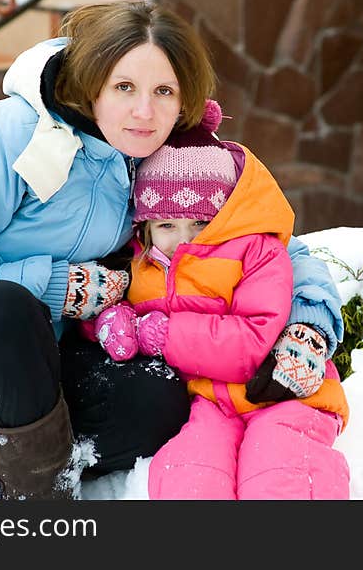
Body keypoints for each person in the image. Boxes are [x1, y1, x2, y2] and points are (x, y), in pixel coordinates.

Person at [0, 0, 345, 500]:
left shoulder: (169, 153)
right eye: (125, 87)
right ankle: (40, 501)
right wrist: (57, 286)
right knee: (4, 305)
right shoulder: (4, 138)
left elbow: (262, 240)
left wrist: (309, 324)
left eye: (164, 91)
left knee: (162, 397)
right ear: (92, 82)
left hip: (45, 362)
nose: (144, 111)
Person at [94, 101, 350, 499]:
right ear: (144, 226)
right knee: (191, 469)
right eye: (166, 224)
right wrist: (108, 323)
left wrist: (163, 335)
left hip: (279, 391)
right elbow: (114, 305)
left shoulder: (254, 252)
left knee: (281, 466)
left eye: (201, 222)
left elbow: (253, 336)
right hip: (208, 401)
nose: (185, 238)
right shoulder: (141, 265)